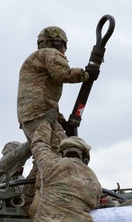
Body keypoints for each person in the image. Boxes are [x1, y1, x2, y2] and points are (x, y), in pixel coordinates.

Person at [17, 26, 96, 207]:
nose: (64, 52)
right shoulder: (49, 53)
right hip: (41, 115)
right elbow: (63, 73)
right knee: (63, 154)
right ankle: (54, 201)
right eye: (63, 47)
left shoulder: (35, 59)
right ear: (59, 43)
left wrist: (59, 119)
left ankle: (27, 202)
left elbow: (41, 94)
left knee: (44, 158)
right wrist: (86, 74)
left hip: (35, 115)